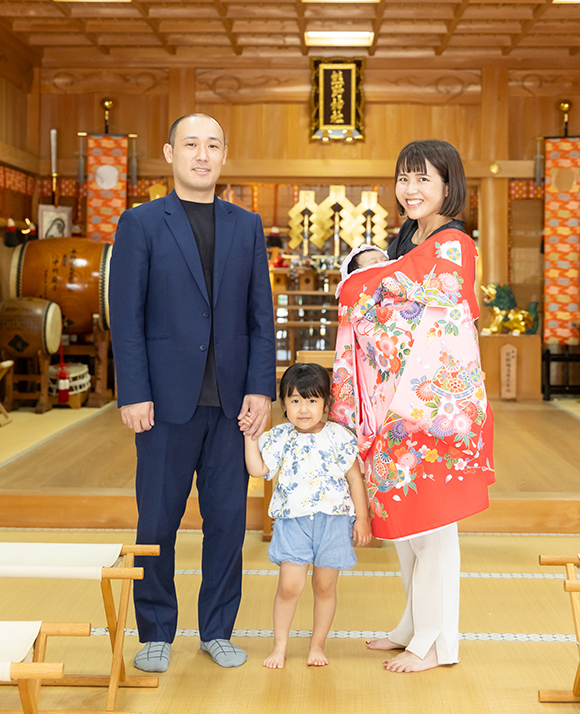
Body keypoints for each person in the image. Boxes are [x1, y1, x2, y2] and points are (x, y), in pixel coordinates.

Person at [109, 113, 276, 672]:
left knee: (228, 520)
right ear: (169, 153)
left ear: (224, 155)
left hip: (231, 405)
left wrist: (261, 389)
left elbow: (260, 317)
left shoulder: (246, 224)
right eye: (190, 145)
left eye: (212, 146)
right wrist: (132, 391)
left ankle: (217, 628)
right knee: (156, 519)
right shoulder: (141, 223)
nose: (201, 155)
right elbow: (126, 317)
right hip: (163, 402)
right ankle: (155, 629)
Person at [330, 139, 494, 674]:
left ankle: (438, 641)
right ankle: (411, 624)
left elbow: (432, 318)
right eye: (404, 178)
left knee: (435, 527)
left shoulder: (453, 244)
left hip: (430, 407)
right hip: (394, 406)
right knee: (405, 525)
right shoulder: (408, 239)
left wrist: (361, 284)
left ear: (449, 184)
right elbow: (389, 300)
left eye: (424, 178)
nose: (411, 189)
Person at [243, 362, 371, 669]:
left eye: (312, 400)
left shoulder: (340, 437)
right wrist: (250, 437)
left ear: (326, 404)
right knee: (289, 586)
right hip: (293, 521)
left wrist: (363, 518)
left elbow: (355, 479)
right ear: (284, 404)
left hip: (334, 521)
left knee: (324, 587)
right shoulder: (278, 437)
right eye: (295, 400)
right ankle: (280, 646)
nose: (303, 408)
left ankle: (317, 645)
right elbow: (259, 470)